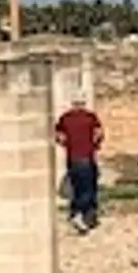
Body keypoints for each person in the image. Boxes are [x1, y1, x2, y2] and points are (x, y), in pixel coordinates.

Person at [55, 92, 106, 233]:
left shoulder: (65, 118)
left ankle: (77, 214)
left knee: (76, 186)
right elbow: (99, 134)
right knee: (88, 188)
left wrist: (68, 144)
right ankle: (82, 216)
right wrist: (94, 145)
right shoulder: (90, 117)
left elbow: (59, 136)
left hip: (72, 158)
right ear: (83, 103)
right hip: (87, 156)